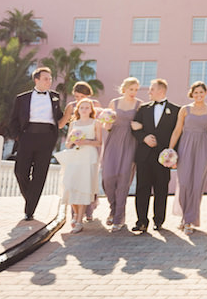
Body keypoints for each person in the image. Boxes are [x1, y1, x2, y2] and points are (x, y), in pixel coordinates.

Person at [9, 67, 64, 221]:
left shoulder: (55, 97)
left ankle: (29, 210)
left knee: (40, 175)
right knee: (20, 171)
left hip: (47, 138)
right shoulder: (22, 98)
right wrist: (18, 137)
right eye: (46, 78)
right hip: (27, 137)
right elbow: (13, 120)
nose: (49, 81)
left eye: (51, 79)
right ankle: (31, 200)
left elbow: (58, 118)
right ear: (37, 80)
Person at [129, 78, 179, 233]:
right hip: (144, 156)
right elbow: (134, 128)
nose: (149, 91)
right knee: (142, 189)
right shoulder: (143, 109)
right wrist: (143, 137)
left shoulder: (176, 110)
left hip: (164, 158)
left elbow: (178, 134)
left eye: (152, 89)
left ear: (161, 91)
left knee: (161, 189)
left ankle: (159, 221)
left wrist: (174, 156)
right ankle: (141, 222)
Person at [168, 81, 207, 234]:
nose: (199, 95)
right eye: (196, 93)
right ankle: (184, 217)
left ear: (205, 93)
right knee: (184, 182)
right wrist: (170, 149)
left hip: (203, 147)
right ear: (192, 94)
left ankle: (189, 220)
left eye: (201, 92)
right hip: (185, 146)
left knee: (197, 184)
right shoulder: (185, 110)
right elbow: (176, 130)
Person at [101, 77, 142, 232]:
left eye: (136, 89)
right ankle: (113, 208)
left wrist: (139, 126)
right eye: (131, 89)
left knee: (124, 179)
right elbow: (107, 126)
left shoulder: (139, 105)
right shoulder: (114, 103)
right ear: (124, 89)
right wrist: (107, 123)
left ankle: (119, 217)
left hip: (130, 143)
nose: (133, 92)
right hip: (113, 142)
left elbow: (142, 124)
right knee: (108, 178)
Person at [58, 81, 101, 222]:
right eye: (76, 96)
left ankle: (87, 211)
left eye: (82, 96)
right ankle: (75, 216)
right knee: (74, 182)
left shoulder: (94, 106)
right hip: (75, 151)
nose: (79, 99)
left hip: (89, 152)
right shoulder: (71, 107)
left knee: (87, 182)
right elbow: (62, 124)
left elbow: (99, 125)